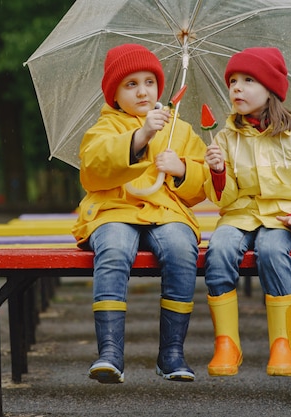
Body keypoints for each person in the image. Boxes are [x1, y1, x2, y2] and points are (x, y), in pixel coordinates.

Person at [71, 43, 207, 384]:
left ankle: (172, 353)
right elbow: (93, 167)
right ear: (114, 93)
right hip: (113, 210)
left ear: (160, 87)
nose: (142, 90)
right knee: (114, 248)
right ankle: (110, 352)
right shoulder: (104, 128)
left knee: (180, 249)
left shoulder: (180, 128)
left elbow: (202, 186)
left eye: (149, 81)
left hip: (165, 211)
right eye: (131, 84)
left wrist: (181, 170)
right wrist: (141, 134)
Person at [203, 47, 291, 377]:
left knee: (272, 250)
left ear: (271, 89)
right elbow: (223, 200)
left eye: (248, 80)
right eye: (232, 81)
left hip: (282, 218)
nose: (237, 87)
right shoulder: (225, 137)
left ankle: (282, 343)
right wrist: (218, 172)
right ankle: (226, 343)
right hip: (240, 215)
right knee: (218, 249)